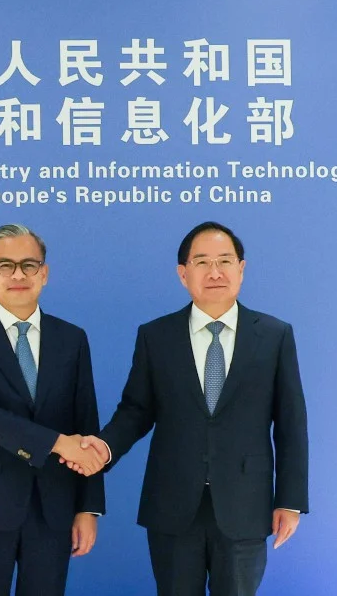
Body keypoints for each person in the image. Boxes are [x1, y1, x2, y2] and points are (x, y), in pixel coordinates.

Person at [76, 221, 309, 596]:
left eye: (224, 261)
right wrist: (104, 447)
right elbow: (136, 410)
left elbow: (291, 424)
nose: (215, 272)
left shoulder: (274, 335)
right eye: (202, 262)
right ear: (183, 274)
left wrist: (290, 500)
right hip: (172, 505)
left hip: (245, 505)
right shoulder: (156, 336)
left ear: (241, 269)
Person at [0, 223, 107, 596]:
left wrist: (88, 508)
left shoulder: (72, 338)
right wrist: (58, 443)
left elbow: (87, 420)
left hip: (54, 507)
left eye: (29, 265)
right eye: (5, 265)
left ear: (44, 274)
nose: (18, 275)